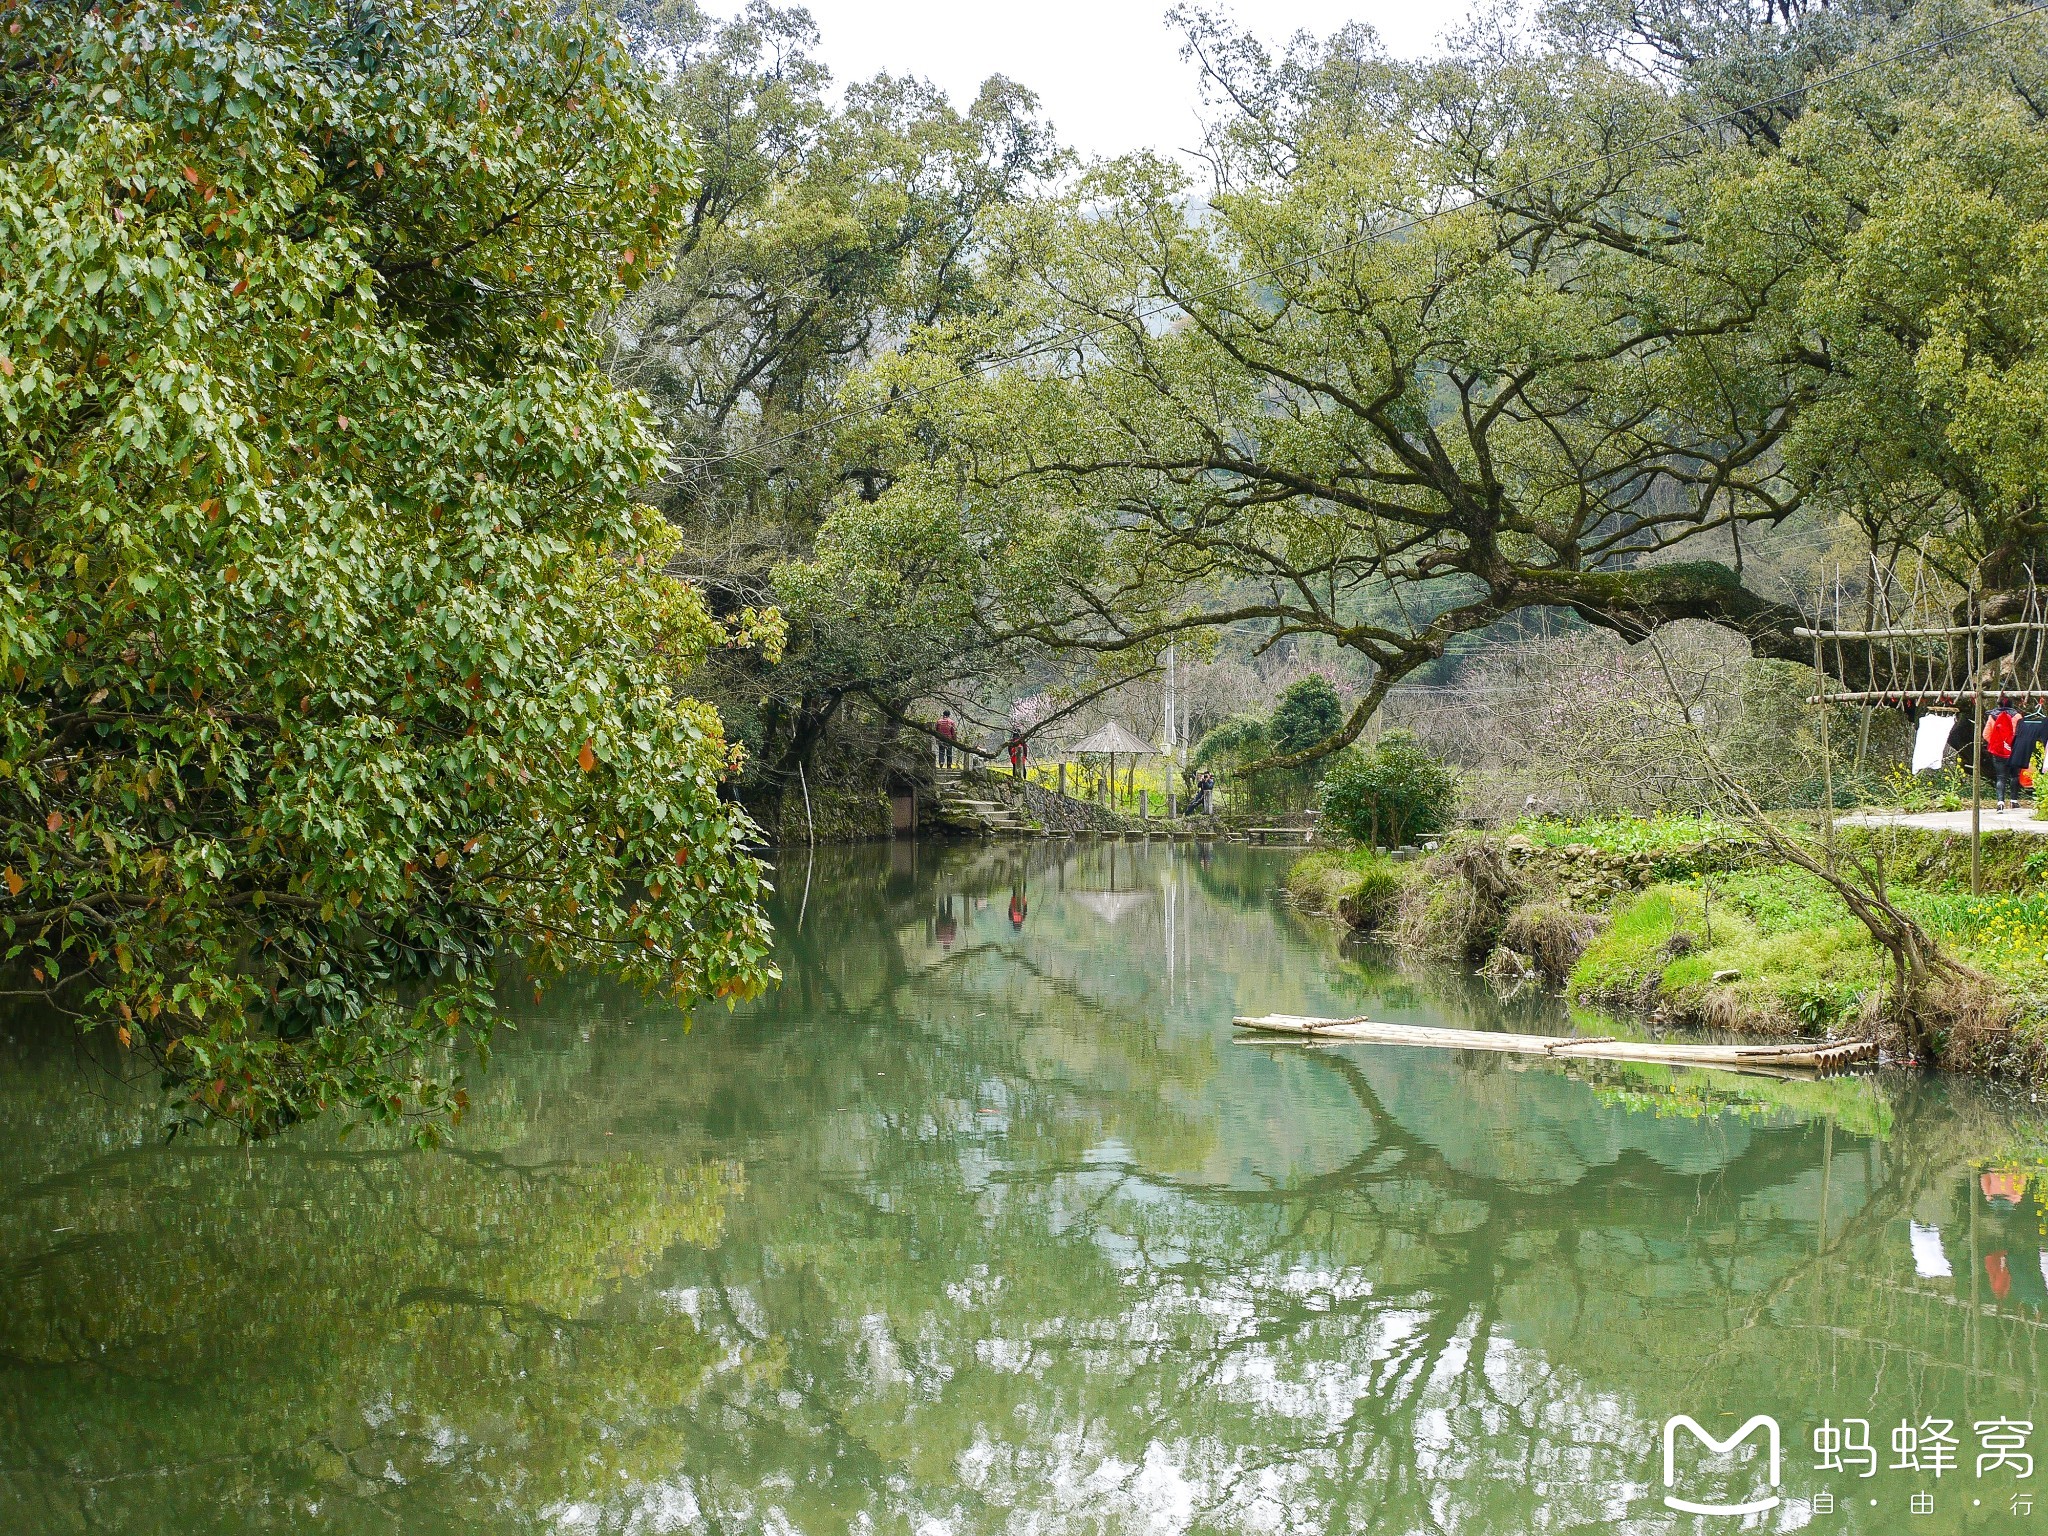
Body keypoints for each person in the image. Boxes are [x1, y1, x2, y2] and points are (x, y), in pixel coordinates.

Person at [1987, 695, 2021, 809]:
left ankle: (2000, 803)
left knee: (2000, 777)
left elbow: (1986, 734)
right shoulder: (2017, 716)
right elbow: (2021, 734)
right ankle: (2013, 801)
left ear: (1999, 704)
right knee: (2014, 776)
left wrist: (1997, 743)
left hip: (1998, 751)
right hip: (2014, 751)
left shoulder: (1992, 716)